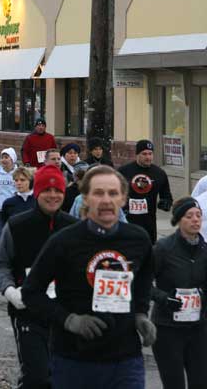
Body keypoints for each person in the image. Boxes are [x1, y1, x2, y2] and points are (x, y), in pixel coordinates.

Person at [22, 165, 156, 388]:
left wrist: (141, 314)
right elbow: (31, 292)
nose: (106, 200)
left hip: (125, 358)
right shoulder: (64, 242)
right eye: (98, 193)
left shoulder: (138, 240)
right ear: (85, 198)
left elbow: (143, 281)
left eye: (113, 193)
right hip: (73, 359)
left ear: (123, 199)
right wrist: (69, 320)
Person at [0, 165, 78, 389]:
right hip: (28, 311)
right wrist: (10, 291)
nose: (53, 196)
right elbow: (0, 265)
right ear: (37, 192)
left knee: (63, 376)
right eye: (47, 191)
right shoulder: (18, 225)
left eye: (58, 191)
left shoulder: (74, 228)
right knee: (36, 377)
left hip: (65, 313)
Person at [147, 197, 207, 388]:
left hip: (198, 328)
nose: (196, 220)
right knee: (174, 384)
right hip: (167, 328)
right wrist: (164, 298)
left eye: (199, 216)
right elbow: (143, 283)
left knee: (200, 382)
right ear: (179, 220)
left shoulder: (205, 250)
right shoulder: (163, 249)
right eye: (189, 216)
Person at [118, 139, 173, 243]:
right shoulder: (123, 171)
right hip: (127, 220)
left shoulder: (159, 173)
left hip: (149, 222)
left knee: (149, 250)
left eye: (150, 154)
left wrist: (166, 203)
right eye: (144, 154)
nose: (148, 157)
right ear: (137, 154)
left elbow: (166, 196)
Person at [0, 167, 34, 239]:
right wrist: (1, 235)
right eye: (16, 180)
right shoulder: (8, 203)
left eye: (22, 180)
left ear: (30, 181)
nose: (19, 183)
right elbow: (3, 223)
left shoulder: (38, 201)